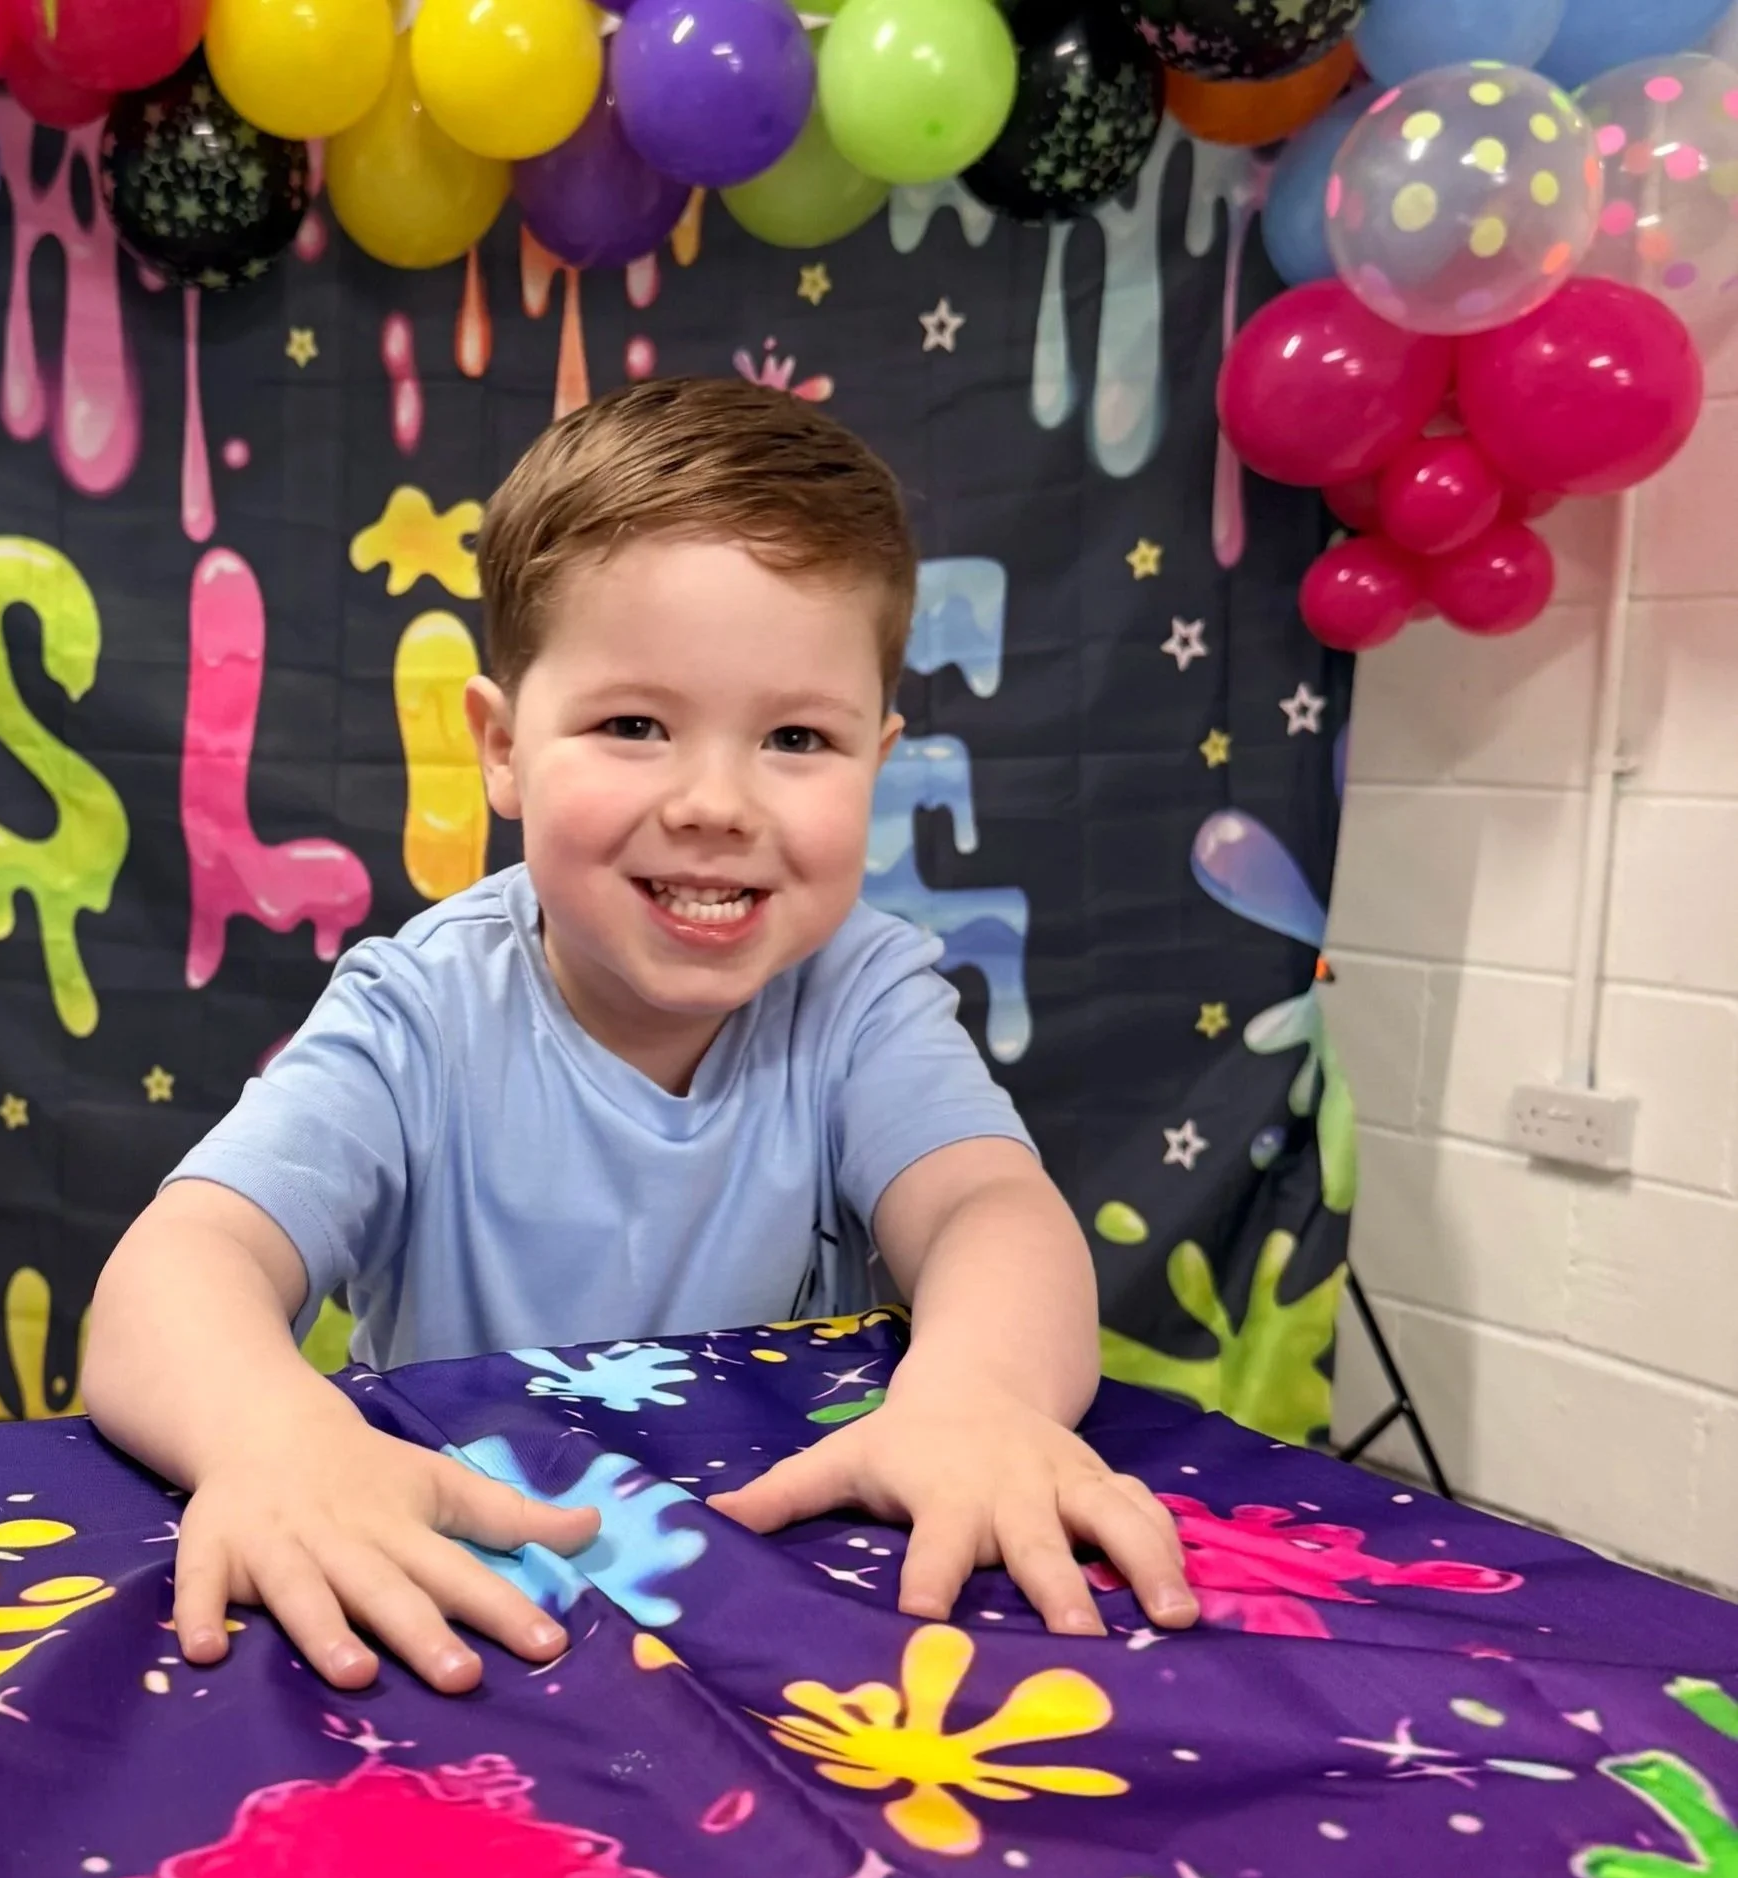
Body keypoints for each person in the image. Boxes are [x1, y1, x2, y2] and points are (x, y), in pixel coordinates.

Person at [84, 375, 1197, 1698]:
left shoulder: (863, 995)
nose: (716, 803)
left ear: (879, 762)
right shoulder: (417, 1012)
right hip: (474, 1598)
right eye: (633, 726)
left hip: (780, 1609)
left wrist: (979, 1399)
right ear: (503, 748)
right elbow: (177, 1271)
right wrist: (274, 1439)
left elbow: (989, 1211)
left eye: (797, 737)